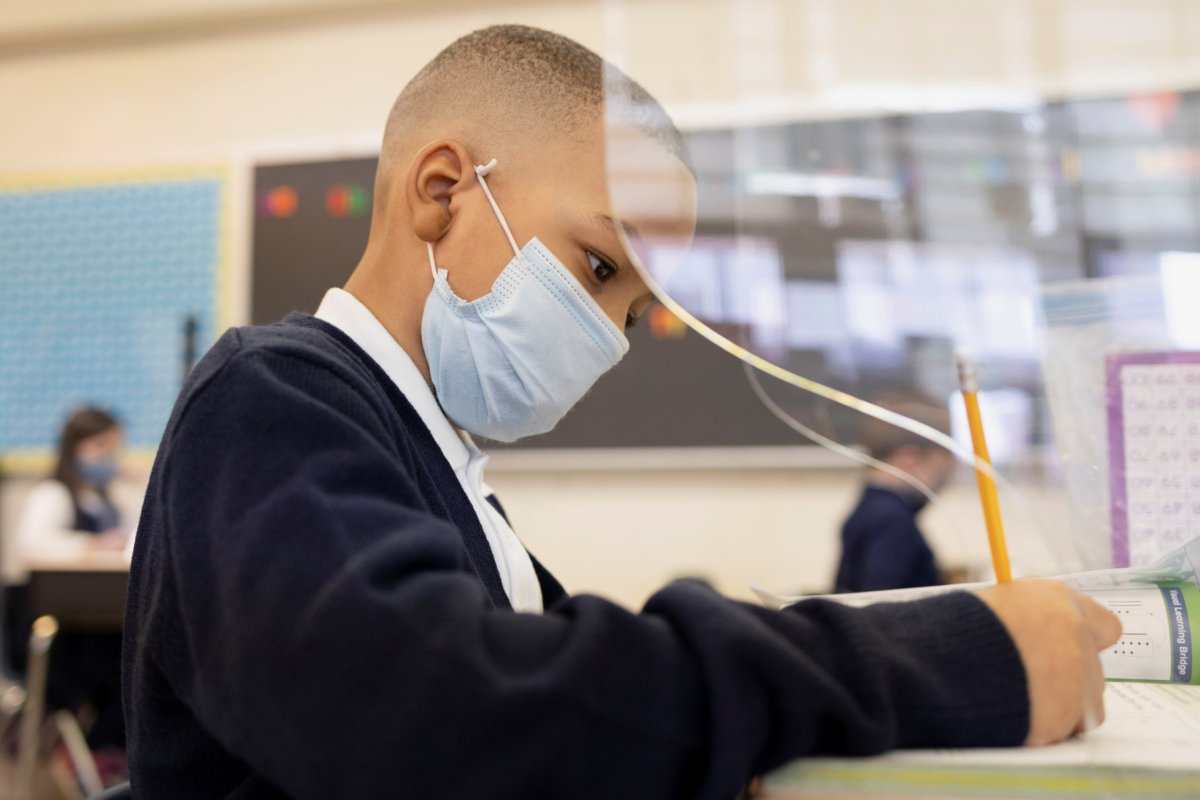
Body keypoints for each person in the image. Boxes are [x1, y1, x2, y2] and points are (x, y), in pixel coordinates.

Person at [123, 25, 1122, 799]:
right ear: (441, 190)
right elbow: (450, 714)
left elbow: (584, 714)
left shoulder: (444, 473)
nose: (609, 332)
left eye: (637, 311)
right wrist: (938, 659)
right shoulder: (270, 399)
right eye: (601, 266)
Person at [9, 406, 130, 749]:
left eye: (114, 448)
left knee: (141, 652)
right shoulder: (52, 494)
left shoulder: (105, 502)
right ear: (74, 448)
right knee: (132, 660)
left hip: (96, 627)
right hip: (58, 634)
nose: (110, 458)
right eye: (101, 448)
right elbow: (31, 545)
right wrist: (94, 545)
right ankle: (100, 752)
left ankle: (105, 753)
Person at [834, 395, 957, 593]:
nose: (950, 472)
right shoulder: (891, 520)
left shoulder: (873, 510)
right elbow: (881, 610)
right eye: (944, 460)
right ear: (910, 457)